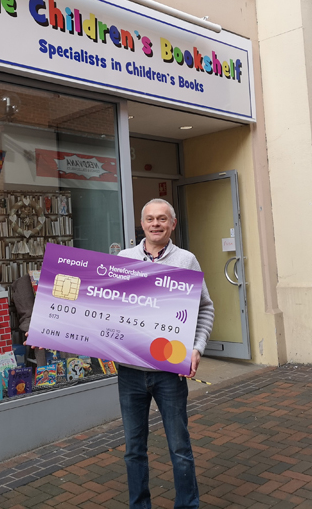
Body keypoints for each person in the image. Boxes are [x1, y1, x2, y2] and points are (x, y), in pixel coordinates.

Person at [117, 198, 215, 509]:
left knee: (179, 446)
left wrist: (197, 348)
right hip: (130, 372)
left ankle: (188, 505)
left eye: (162, 218)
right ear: (142, 223)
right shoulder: (123, 259)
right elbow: (104, 310)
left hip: (170, 372)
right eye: (150, 219)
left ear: (172, 224)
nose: (155, 224)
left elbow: (206, 309)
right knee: (134, 448)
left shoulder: (186, 260)